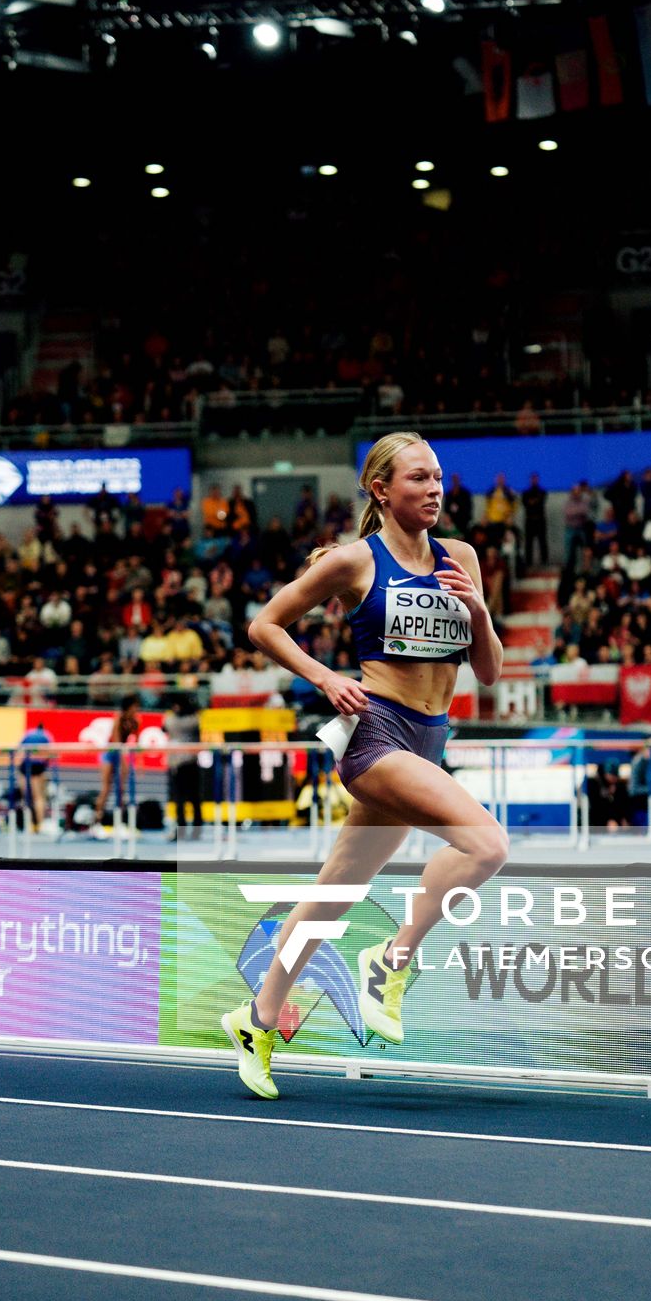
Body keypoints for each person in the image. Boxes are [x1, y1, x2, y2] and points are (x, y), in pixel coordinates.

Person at [222, 432, 506, 1099]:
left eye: (439, 478)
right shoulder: (354, 562)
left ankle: (257, 1019)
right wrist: (324, 677)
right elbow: (266, 625)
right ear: (381, 490)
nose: (434, 489)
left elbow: (489, 674)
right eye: (418, 479)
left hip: (429, 738)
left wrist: (481, 612)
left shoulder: (459, 557)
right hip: (376, 736)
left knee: (333, 894)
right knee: (487, 845)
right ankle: (393, 956)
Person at [94, 693, 142, 829]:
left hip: (121, 752)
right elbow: (116, 741)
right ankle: (96, 820)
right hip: (110, 752)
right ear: (129, 707)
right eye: (135, 707)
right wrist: (123, 761)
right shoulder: (118, 718)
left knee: (121, 788)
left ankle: (118, 819)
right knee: (106, 788)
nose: (136, 709)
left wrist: (139, 762)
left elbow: (136, 744)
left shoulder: (136, 721)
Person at [163, 691, 202, 839]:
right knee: (193, 798)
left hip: (182, 763)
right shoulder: (194, 719)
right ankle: (196, 831)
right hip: (187, 762)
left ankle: (183, 830)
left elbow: (165, 726)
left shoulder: (172, 720)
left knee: (182, 798)